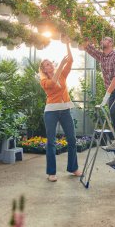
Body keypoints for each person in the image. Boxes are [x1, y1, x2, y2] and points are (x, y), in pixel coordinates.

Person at [84, 37, 115, 166]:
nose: (102, 40)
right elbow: (88, 48)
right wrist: (83, 35)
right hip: (113, 93)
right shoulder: (102, 56)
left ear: (111, 43)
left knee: (114, 111)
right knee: (113, 119)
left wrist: (106, 96)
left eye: (105, 39)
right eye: (101, 39)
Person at [39, 42, 81, 182]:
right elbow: (53, 83)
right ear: (44, 70)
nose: (50, 65)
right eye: (46, 65)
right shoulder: (44, 80)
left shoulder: (62, 74)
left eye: (50, 63)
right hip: (51, 112)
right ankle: (51, 172)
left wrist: (68, 43)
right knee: (51, 141)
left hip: (65, 110)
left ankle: (73, 167)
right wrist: (61, 65)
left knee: (72, 139)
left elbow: (70, 59)